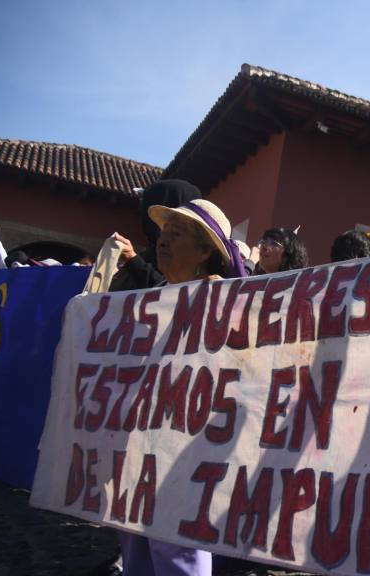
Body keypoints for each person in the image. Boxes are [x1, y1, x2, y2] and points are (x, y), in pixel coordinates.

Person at [117, 198, 243, 576]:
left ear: (205, 251)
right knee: (133, 535)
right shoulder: (150, 300)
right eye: (163, 233)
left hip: (188, 446)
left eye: (177, 233)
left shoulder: (221, 298)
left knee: (177, 544)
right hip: (139, 442)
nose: (163, 240)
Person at [110, 179, 202, 291]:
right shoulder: (148, 255)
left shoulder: (198, 265)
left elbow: (172, 292)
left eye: (176, 233)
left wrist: (133, 260)